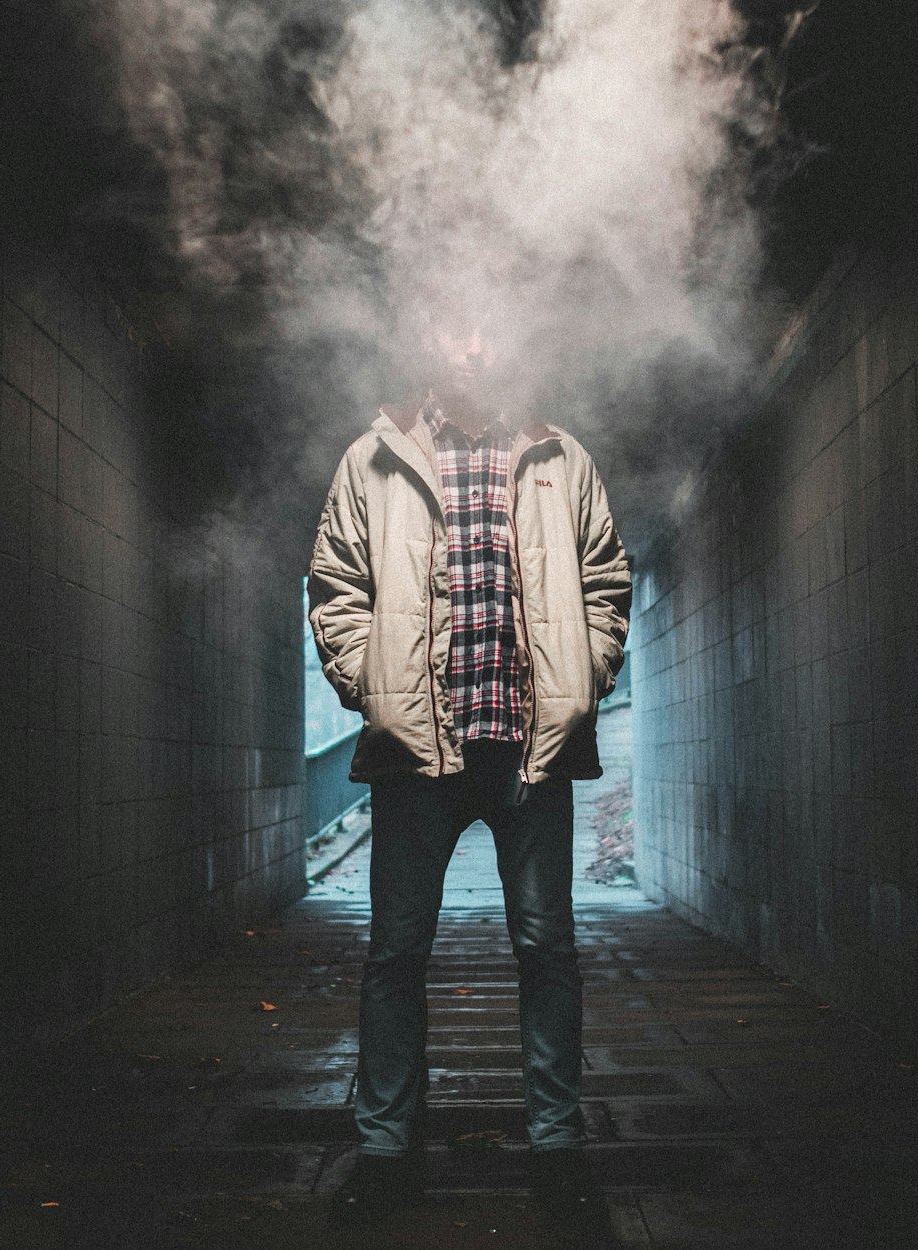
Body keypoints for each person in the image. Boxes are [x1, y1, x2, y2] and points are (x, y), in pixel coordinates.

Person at [307, 313, 631, 1231]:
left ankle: (559, 1149)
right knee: (395, 957)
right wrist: (374, 689)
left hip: (530, 746)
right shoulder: (372, 458)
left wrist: (582, 681)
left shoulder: (562, 457)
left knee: (548, 951)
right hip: (418, 754)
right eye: (454, 326)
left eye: (492, 325)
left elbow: (606, 578)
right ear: (428, 340)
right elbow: (336, 587)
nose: (473, 345)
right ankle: (384, 1152)